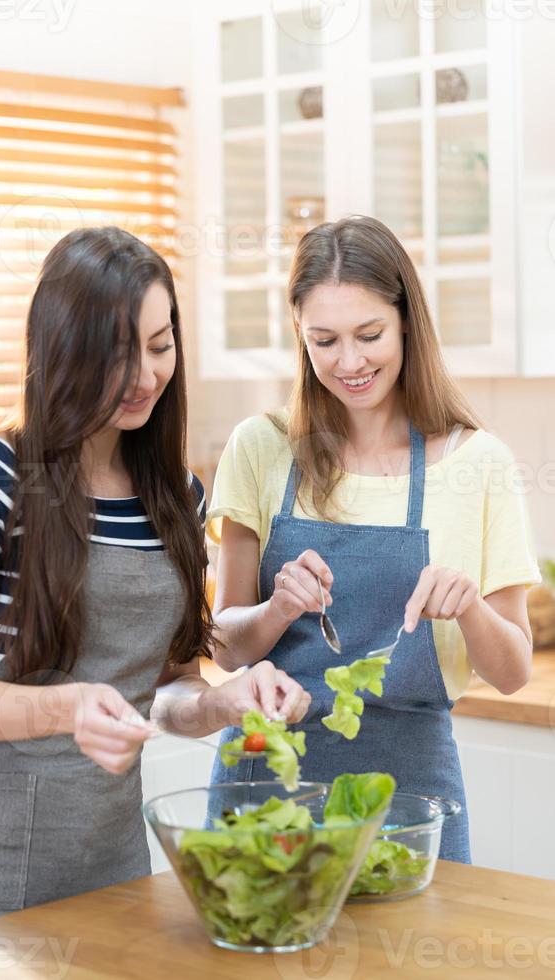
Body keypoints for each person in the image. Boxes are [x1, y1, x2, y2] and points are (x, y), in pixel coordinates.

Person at [0, 226, 310, 939]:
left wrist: (222, 704)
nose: (145, 375)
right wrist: (68, 709)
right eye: (117, 351)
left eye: (159, 346)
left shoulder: (177, 495)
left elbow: (165, 689)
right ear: (61, 346)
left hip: (112, 863)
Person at [208, 216, 540, 862]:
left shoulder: (480, 463)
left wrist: (469, 606)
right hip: (267, 782)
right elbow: (224, 646)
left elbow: (512, 671)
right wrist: (278, 607)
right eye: (323, 340)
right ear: (299, 336)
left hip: (409, 792)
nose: (349, 362)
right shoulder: (261, 448)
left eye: (369, 335)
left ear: (407, 322)